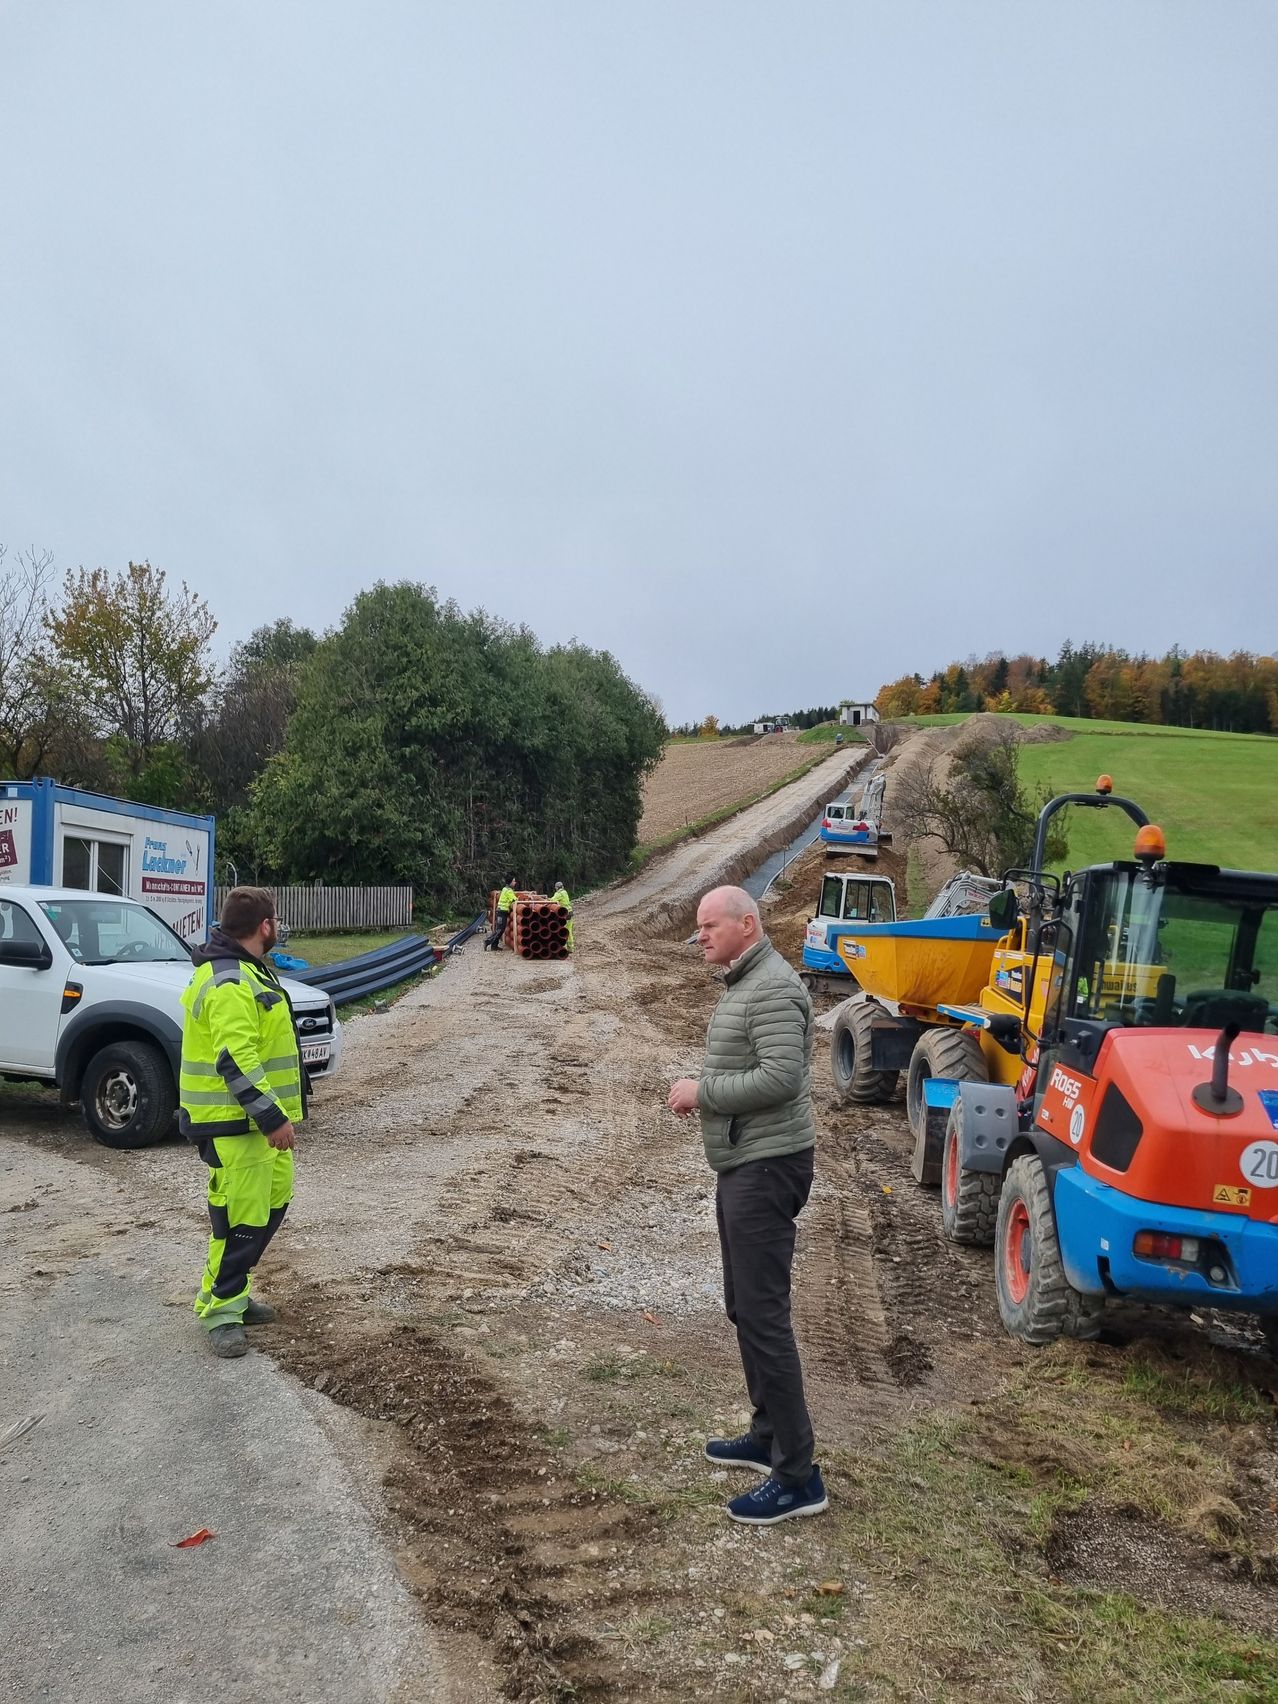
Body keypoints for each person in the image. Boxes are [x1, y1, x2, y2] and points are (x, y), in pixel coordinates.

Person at [667, 884, 826, 1525]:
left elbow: (782, 1078)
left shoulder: (775, 989)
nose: (700, 936)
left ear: (746, 924)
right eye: (698, 928)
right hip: (744, 1164)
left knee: (764, 1316)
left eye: (709, 926)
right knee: (743, 1305)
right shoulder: (744, 984)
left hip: (768, 1167)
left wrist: (702, 1092)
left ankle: (799, 1475)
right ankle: (766, 1438)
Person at [179, 887, 303, 1360]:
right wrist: (272, 1117)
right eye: (276, 921)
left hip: (249, 1126)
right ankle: (221, 1311)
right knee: (243, 1217)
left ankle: (233, 1291)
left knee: (268, 1204)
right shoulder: (229, 981)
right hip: (234, 1125)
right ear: (265, 926)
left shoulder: (245, 971)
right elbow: (236, 1058)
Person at [485, 879, 518, 950]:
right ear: (510, 882)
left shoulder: (505, 889)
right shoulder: (509, 891)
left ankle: (494, 946)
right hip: (502, 912)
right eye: (514, 881)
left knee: (499, 929)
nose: (515, 882)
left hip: (501, 911)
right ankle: (487, 941)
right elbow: (515, 900)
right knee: (500, 929)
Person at [550, 880, 573, 951]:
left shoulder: (559, 893)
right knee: (568, 930)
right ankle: (570, 948)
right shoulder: (565, 892)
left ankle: (563, 947)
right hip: (570, 912)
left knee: (562, 930)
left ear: (556, 888)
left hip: (565, 913)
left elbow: (551, 900)